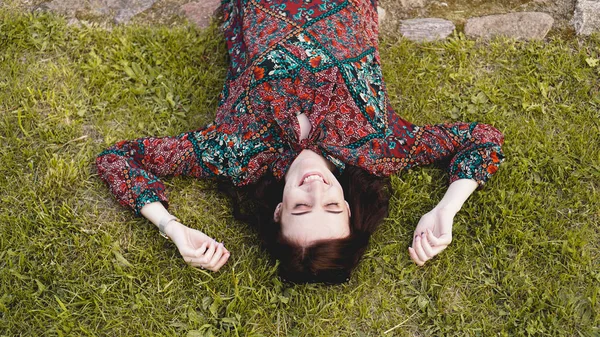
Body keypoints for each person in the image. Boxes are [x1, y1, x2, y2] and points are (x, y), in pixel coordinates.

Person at [96, 0, 504, 284]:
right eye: (331, 205)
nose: (315, 187)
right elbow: (481, 140)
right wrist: (446, 209)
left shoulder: (234, 152)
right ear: (348, 207)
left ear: (277, 211)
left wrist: (172, 227)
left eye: (300, 206)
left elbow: (117, 159)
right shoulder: (380, 148)